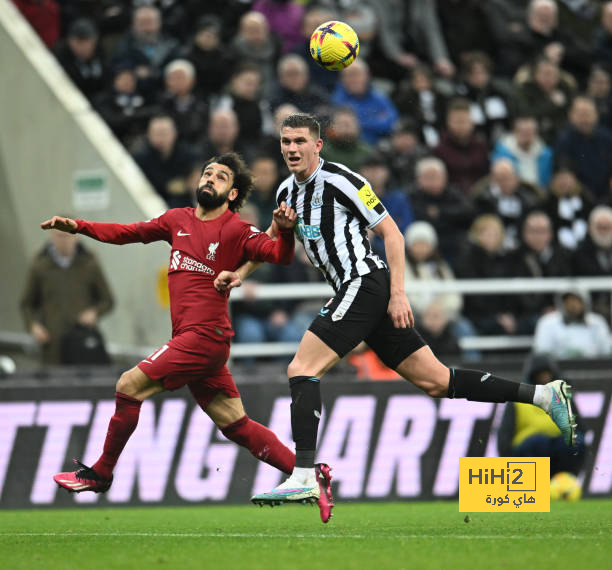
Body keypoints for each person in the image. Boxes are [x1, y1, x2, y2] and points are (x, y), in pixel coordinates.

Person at [214, 113, 579, 523]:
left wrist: (399, 294)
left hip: (365, 282)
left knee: (302, 368)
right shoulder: (286, 190)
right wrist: (240, 274)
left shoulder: (344, 181)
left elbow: (393, 234)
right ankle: (544, 396)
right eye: (285, 141)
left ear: (318, 145)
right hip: (356, 291)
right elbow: (269, 240)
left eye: (300, 140)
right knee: (436, 381)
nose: (291, 148)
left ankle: (303, 473)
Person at [48, 152, 301, 500]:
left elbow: (278, 254)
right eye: (207, 173)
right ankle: (307, 473)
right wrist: (79, 226)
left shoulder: (236, 229)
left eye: (220, 177)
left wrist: (285, 234)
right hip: (193, 340)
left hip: (205, 337)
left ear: (231, 194)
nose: (209, 178)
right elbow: (127, 233)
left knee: (129, 384)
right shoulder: (176, 219)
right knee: (236, 425)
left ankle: (101, 472)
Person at [20, 224, 114, 365]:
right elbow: (27, 304)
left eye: (68, 236)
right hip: (52, 344)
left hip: (82, 342)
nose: (64, 240)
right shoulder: (40, 265)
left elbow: (107, 300)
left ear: (76, 236)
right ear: (52, 237)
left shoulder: (89, 263)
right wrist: (34, 326)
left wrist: (94, 312)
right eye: (59, 236)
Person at [498, 353, 586, 478]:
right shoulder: (518, 399)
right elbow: (504, 436)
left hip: (559, 448)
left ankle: (565, 480)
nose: (544, 378)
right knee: (538, 443)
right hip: (529, 449)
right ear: (532, 376)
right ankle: (534, 482)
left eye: (547, 374)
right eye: (540, 375)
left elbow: (580, 429)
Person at [533, 289, 611, 358]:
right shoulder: (548, 322)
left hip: (594, 369)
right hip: (558, 369)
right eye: (568, 301)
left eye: (576, 300)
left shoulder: (597, 322)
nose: (572, 305)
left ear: (585, 302)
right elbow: (542, 352)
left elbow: (607, 350)